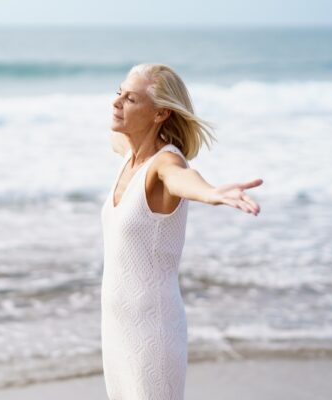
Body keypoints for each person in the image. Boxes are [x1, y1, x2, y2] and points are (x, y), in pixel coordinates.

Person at [100, 63, 262, 400]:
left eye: (131, 99)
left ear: (160, 113)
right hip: (116, 330)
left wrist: (213, 193)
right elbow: (119, 137)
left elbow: (183, 180)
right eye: (118, 93)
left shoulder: (165, 164)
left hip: (152, 333)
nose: (117, 103)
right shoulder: (130, 154)